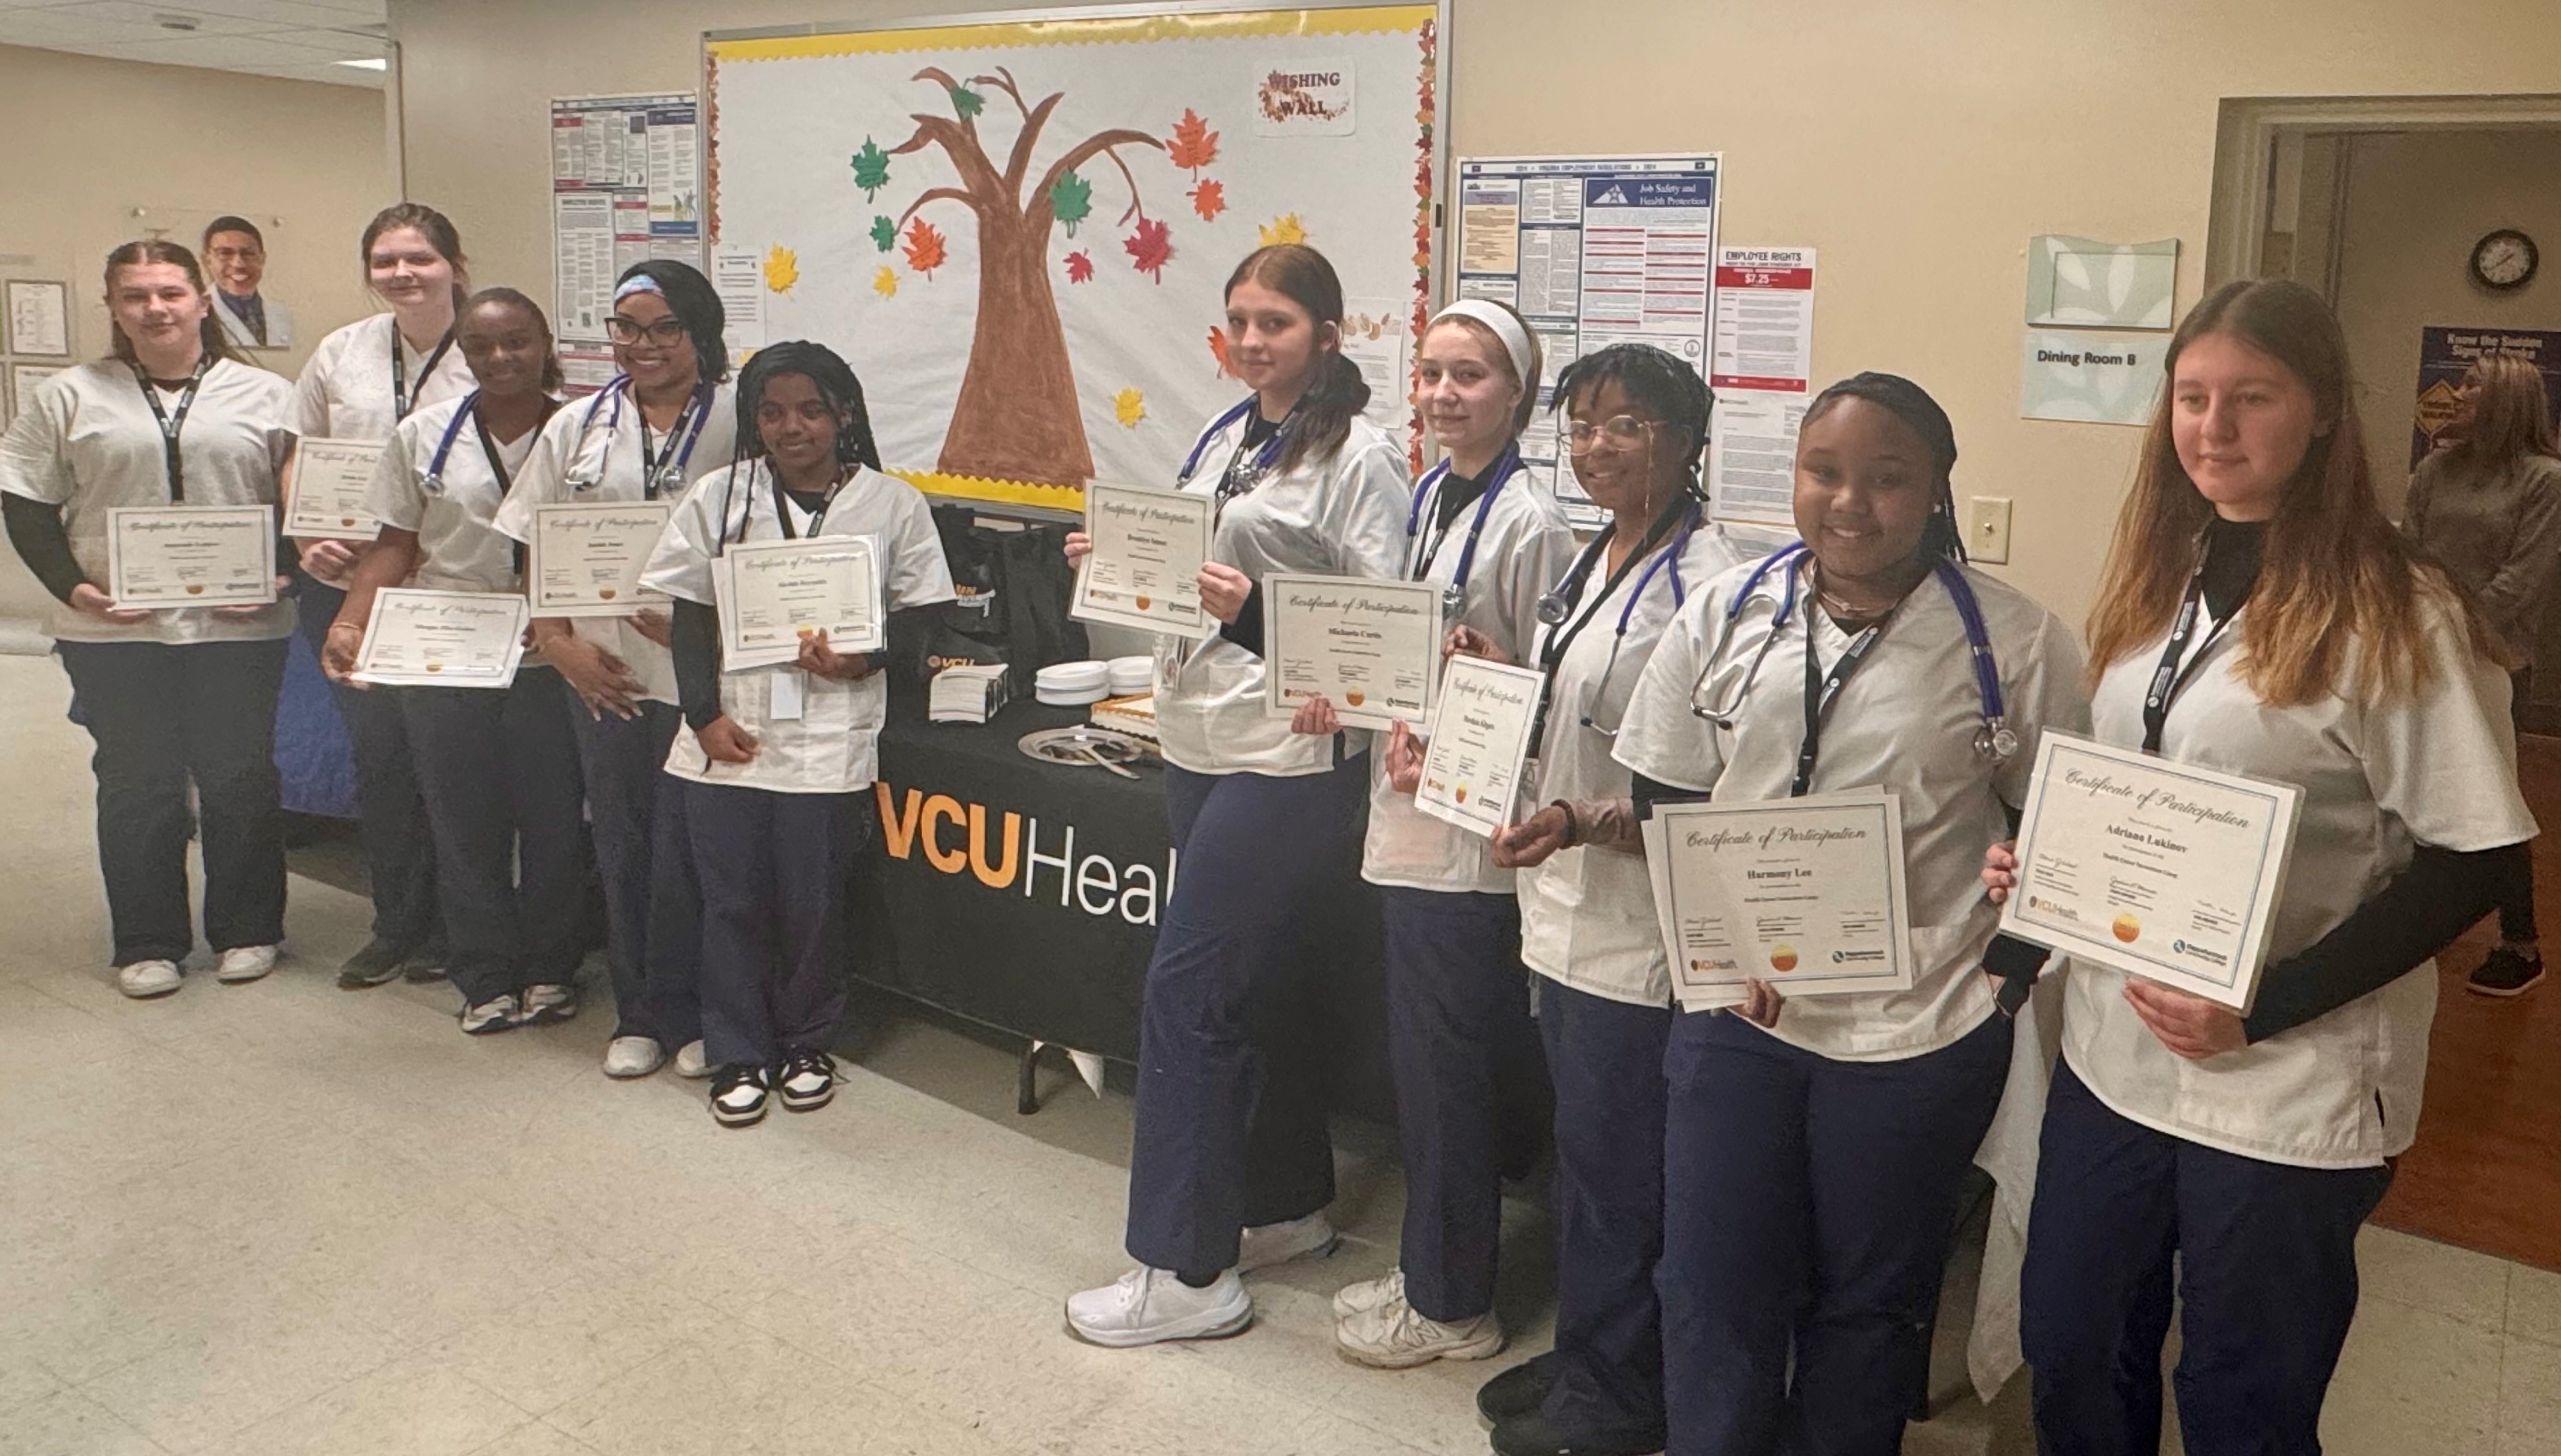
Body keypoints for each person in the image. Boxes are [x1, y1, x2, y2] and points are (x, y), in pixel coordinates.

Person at [1989, 279, 2535, 1456]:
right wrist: (2042, 876)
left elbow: (2472, 858)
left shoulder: (2402, 612)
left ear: (2324, 414)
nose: (2213, 428)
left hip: (2291, 1074)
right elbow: (2130, 785)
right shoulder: (2155, 583)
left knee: (2245, 1394)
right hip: (2115, 1053)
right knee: (2076, 1344)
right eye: (2191, 398)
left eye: (2251, 397)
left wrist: (2265, 1005)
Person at [1610, 374, 2088, 1455]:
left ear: (1934, 492)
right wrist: (1726, 941)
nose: (1848, 503)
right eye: (1822, 472)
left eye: (1886, 480)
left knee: (1870, 1299)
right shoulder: (1727, 610)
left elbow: (2061, 833)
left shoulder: (2013, 642)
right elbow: (1664, 792)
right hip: (1742, 1016)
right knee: (1711, 1277)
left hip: (1915, 1028)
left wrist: (2003, 976)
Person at [1062, 243, 1410, 1348]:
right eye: (1241, 322)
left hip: (1286, 754)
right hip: (1199, 734)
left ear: (1328, 334)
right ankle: (1285, 1203)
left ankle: (1184, 1269)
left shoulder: (1363, 454)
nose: (1255, 340)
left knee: (1188, 995)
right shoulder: (1228, 434)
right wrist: (1116, 563)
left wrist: (1307, 660)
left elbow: (1381, 613)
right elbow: (1201, 579)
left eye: (1278, 323)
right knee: (1256, 993)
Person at [1460, 342, 1759, 1456]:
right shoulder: (1597, 558)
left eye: (1626, 424)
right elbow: (1570, 710)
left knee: (1625, 1174)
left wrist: (1591, 822)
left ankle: (1620, 1397)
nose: (1596, 446)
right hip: (1564, 908)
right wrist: (1493, 670)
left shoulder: (1709, 581)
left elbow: (1716, 788)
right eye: (1581, 424)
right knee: (1586, 1164)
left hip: (1640, 931)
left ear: (1686, 441)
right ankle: (1593, 1354)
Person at [1291, 299, 1576, 1368]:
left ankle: (1453, 1304)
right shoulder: (1429, 495)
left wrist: (1446, 726)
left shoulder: (1528, 522)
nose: (1444, 394)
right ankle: (1429, 1270)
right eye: (1430, 373)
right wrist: (1341, 690)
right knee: (1427, 1069)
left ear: (1517, 395)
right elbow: (1407, 649)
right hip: (1411, 814)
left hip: (1465, 845)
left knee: (1446, 1077)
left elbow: (1541, 700)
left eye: (1470, 376)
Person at [639, 340, 953, 1125]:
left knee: (814, 903)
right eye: (772, 412)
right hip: (731, 733)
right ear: (752, 421)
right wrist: (701, 713)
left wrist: (861, 659)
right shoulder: (718, 497)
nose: (792, 427)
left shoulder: (892, 502)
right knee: (732, 901)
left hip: (828, 736)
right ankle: (738, 1049)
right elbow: (687, 615)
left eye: (811, 409)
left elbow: (922, 619)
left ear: (843, 414)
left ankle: (809, 1041)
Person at [0, 240, 296, 999]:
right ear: (114, 308)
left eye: (169, 292)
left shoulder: (265, 395)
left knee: (239, 775)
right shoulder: (70, 395)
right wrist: (73, 588)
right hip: (115, 627)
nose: (155, 308)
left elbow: (305, 502)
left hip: (239, 623)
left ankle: (249, 928)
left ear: (202, 300)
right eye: (135, 296)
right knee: (138, 780)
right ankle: (148, 939)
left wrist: (280, 575)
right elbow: (26, 500)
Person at [319, 288, 588, 1034]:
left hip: (547, 658)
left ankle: (549, 968)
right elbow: (396, 544)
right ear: (463, 353)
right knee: (462, 819)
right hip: (444, 653)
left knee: (553, 821)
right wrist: (350, 619)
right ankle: (484, 973)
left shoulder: (583, 431)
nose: (500, 358)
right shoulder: (424, 434)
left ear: (544, 342)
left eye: (516, 342)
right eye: (480, 346)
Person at [496, 259, 736, 1079]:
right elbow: (531, 541)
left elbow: (777, 548)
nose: (643, 345)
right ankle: (640, 1011)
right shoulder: (576, 428)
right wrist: (557, 643)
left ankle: (706, 1008)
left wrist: (707, 631)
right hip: (606, 674)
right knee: (627, 844)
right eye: (626, 327)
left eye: (664, 327)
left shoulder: (739, 420)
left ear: (699, 329)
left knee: (699, 849)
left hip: (708, 675)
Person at [288, 204, 476, 990]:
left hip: (448, 591)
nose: (402, 273)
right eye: (385, 260)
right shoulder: (342, 350)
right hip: (351, 588)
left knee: (454, 768)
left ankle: (456, 928)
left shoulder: (490, 343)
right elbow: (300, 452)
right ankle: (394, 924)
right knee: (384, 764)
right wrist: (306, 534)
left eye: (419, 258)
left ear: (454, 265)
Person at [2403, 350, 2561, 997]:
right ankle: (2420, 924)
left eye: (2473, 385)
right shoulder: (2436, 468)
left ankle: (2520, 944)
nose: (2459, 393)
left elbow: (2521, 580)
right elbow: (2407, 550)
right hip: (2416, 648)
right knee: (2414, 788)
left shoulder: (2543, 479)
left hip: (2491, 659)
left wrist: (2452, 632)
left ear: (2506, 399)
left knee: (2492, 798)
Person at [202, 216, 293, 352]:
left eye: (248, 253)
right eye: (225, 253)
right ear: (207, 260)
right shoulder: (196, 315)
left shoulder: (281, 314)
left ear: (262, 259)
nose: (238, 264)